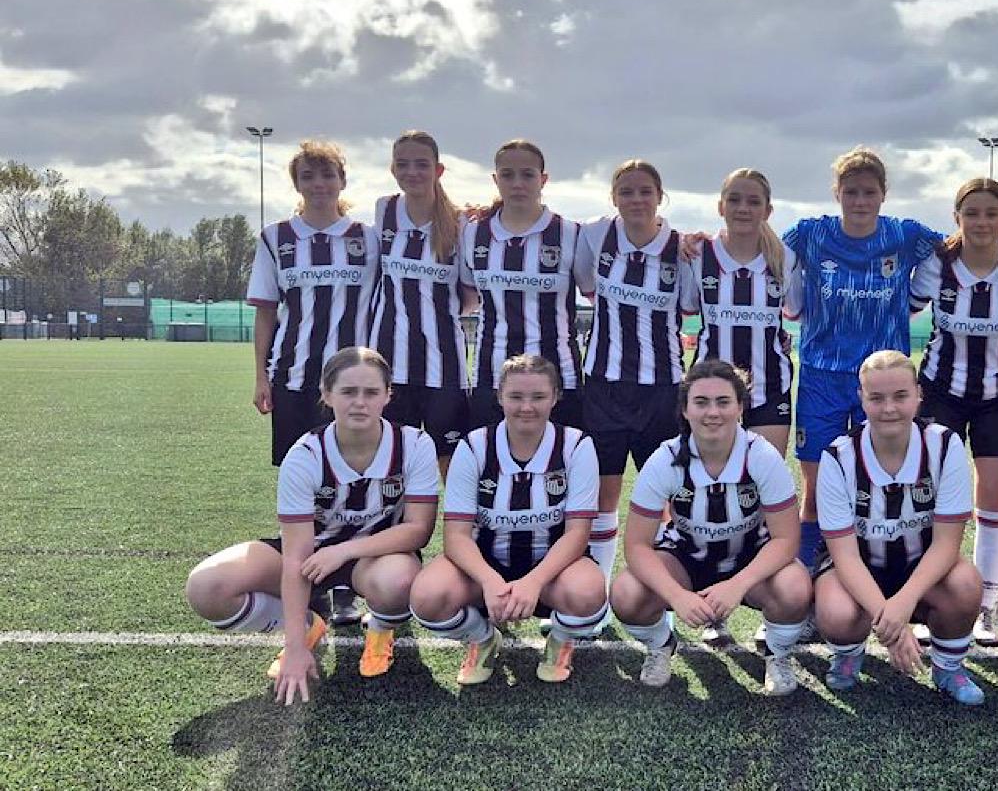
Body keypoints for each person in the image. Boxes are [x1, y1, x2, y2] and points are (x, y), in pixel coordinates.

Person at [185, 347, 438, 704]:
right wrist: (293, 648)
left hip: (375, 557)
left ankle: (380, 630)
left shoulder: (414, 444)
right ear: (327, 394)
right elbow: (295, 556)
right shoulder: (305, 455)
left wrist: (344, 551)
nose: (360, 402)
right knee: (206, 587)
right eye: (348, 392)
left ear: (388, 395)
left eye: (371, 392)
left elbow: (418, 530)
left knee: (401, 582)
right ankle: (306, 627)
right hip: (310, 556)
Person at [782, 148, 944, 568]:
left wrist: (916, 298)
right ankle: (806, 582)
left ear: (883, 195)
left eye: (868, 192)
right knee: (817, 490)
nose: (859, 201)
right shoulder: (810, 233)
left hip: (884, 377)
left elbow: (957, 245)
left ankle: (891, 573)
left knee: (889, 483)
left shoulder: (904, 234)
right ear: (836, 193)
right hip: (823, 373)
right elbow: (765, 248)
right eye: (850, 191)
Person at [611, 359, 812, 694]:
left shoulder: (760, 456)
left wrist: (737, 584)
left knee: (795, 586)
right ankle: (661, 644)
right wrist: (677, 596)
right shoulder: (665, 459)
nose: (712, 413)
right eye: (701, 403)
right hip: (685, 561)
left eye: (723, 402)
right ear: (686, 411)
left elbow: (787, 539)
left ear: (740, 409)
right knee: (627, 593)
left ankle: (777, 654)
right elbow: (636, 545)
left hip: (750, 560)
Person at [411, 355, 609, 685]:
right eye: (516, 396)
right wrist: (490, 582)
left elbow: (577, 533)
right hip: (485, 566)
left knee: (588, 594)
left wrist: (533, 582)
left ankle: (560, 639)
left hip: (553, 569)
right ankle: (483, 637)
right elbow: (456, 537)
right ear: (500, 396)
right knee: (428, 597)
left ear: (556, 396)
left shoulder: (576, 445)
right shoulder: (474, 447)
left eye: (538, 397)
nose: (526, 407)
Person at [247, 139, 380, 626]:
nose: (319, 185)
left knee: (355, 480)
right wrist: (261, 375)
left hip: (355, 383)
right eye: (309, 176)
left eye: (328, 176)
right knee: (306, 483)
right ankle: (315, 585)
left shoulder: (368, 237)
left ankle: (347, 584)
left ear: (342, 181)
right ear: (296, 183)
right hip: (296, 379)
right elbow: (265, 312)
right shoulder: (276, 237)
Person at [813, 351, 987, 706]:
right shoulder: (837, 456)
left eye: (900, 396)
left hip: (921, 567)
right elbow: (843, 555)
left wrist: (903, 605)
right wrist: (888, 622)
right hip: (859, 569)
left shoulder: (944, 444)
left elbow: (946, 545)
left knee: (967, 583)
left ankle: (947, 666)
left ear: (918, 395)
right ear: (861, 398)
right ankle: (847, 655)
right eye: (876, 398)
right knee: (835, 610)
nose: (889, 408)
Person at [679, 168, 803, 646]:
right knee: (707, 497)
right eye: (735, 199)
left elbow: (795, 312)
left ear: (767, 210)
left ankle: (774, 619)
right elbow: (689, 306)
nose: (744, 208)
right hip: (711, 392)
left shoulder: (785, 259)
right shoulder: (699, 255)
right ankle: (715, 613)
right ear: (721, 205)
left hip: (769, 390)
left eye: (753, 201)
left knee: (762, 496)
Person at [908, 177, 998, 646]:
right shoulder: (938, 265)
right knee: (931, 502)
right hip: (940, 392)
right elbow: (906, 305)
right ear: (957, 216)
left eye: (991, 213)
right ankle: (927, 599)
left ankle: (986, 607)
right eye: (971, 213)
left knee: (994, 504)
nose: (981, 222)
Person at [575, 159, 686, 582]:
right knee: (605, 494)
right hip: (605, 384)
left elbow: (690, 303)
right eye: (626, 191)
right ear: (613, 198)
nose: (636, 199)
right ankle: (598, 589)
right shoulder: (595, 234)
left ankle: (666, 590)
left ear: (660, 196)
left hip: (662, 387)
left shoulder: (682, 247)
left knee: (666, 494)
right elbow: (587, 284)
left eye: (645, 191)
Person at [460, 140, 584, 433]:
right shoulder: (472, 232)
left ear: (543, 180)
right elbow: (468, 295)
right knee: (491, 466)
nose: (517, 183)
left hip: (559, 376)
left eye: (527, 174)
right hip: (491, 375)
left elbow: (593, 291)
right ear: (495, 180)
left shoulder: (571, 234)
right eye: (507, 174)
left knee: (560, 468)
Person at [370, 130, 471, 475]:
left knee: (450, 459)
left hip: (444, 363)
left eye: (421, 164)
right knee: (395, 458)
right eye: (403, 164)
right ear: (393, 169)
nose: (412, 172)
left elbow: (470, 296)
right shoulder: (383, 211)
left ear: (438, 170)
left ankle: (459, 528)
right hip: (389, 361)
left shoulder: (460, 223)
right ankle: (394, 529)